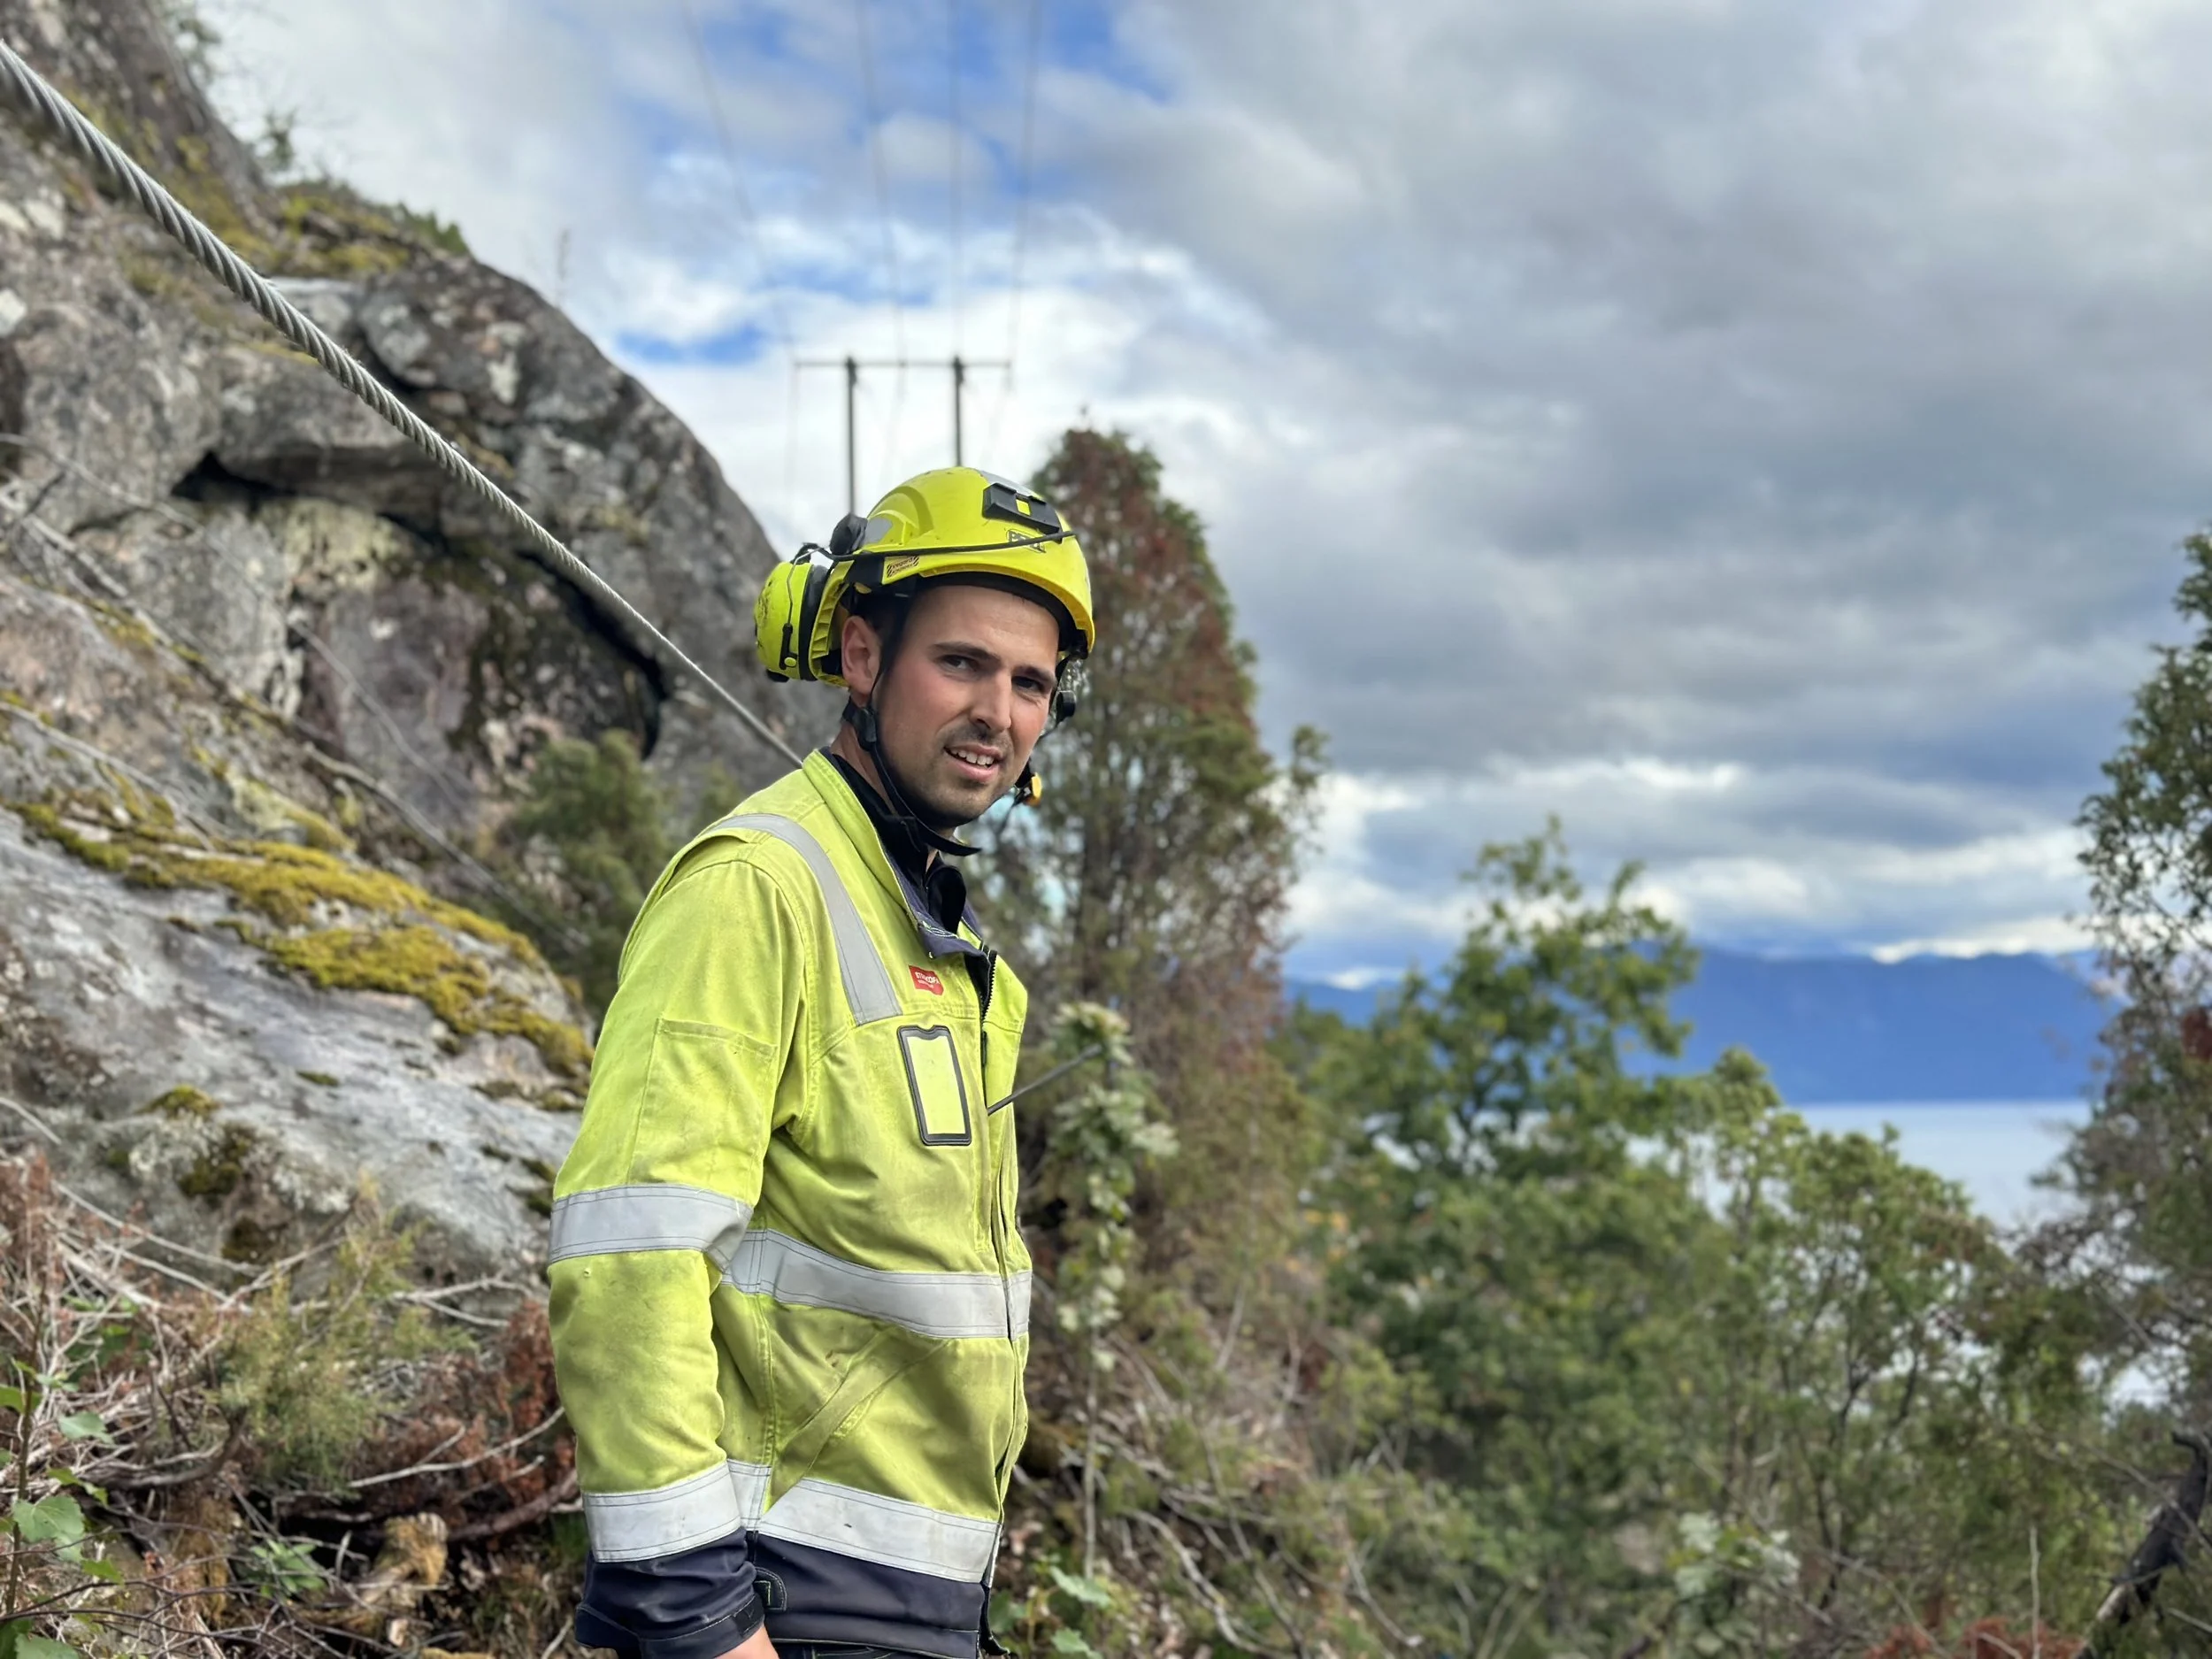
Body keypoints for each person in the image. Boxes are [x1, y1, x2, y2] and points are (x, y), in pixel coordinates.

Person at [547, 466, 1094, 1659]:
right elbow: (630, 1260)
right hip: (778, 1610)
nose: (997, 711)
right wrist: (694, 1620)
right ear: (860, 656)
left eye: (1031, 681)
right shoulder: (760, 885)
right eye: (961, 662)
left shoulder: (928, 940)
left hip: (910, 1615)